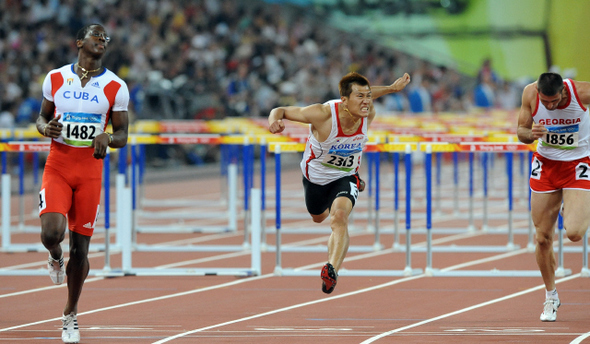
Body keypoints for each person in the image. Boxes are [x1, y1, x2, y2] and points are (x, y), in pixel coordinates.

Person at [268, 71, 411, 294]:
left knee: (340, 217)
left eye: (368, 96)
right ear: (344, 101)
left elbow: (370, 95)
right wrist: (274, 122)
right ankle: (335, 201)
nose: (366, 101)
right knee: (319, 217)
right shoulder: (322, 114)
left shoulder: (368, 112)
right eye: (360, 97)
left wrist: (392, 88)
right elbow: (281, 110)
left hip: (346, 176)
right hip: (315, 178)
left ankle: (331, 269)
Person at [36, 24, 129, 343]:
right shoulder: (55, 78)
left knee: (81, 249)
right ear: (80, 42)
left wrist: (107, 136)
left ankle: (70, 314)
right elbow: (41, 118)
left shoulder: (116, 86)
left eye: (106, 38)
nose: (102, 41)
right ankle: (54, 256)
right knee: (51, 233)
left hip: (90, 172)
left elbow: (122, 136)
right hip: (58, 165)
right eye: (97, 36)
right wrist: (44, 127)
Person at [517, 72, 590, 322]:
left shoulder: (580, 92)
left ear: (564, 93)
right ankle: (551, 296)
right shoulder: (530, 93)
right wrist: (532, 134)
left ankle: (572, 205)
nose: (549, 106)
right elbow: (521, 131)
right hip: (546, 165)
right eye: (545, 101)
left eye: (554, 101)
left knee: (575, 232)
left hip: (578, 163)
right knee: (542, 238)